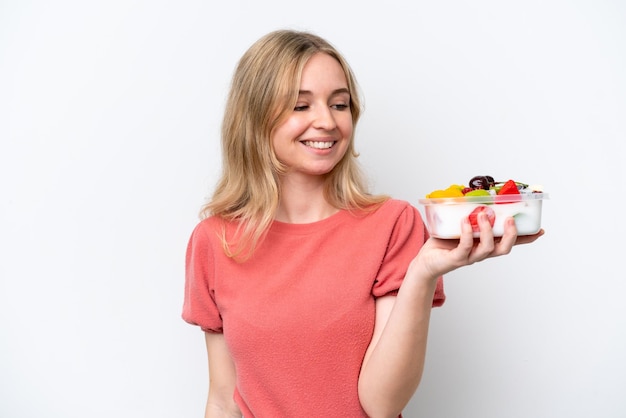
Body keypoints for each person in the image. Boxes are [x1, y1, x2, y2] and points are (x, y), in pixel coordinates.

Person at [182, 29, 543, 418]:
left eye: (339, 104)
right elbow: (222, 399)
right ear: (253, 118)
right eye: (300, 106)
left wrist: (421, 274)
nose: (327, 121)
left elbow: (381, 404)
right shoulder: (215, 241)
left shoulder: (393, 224)